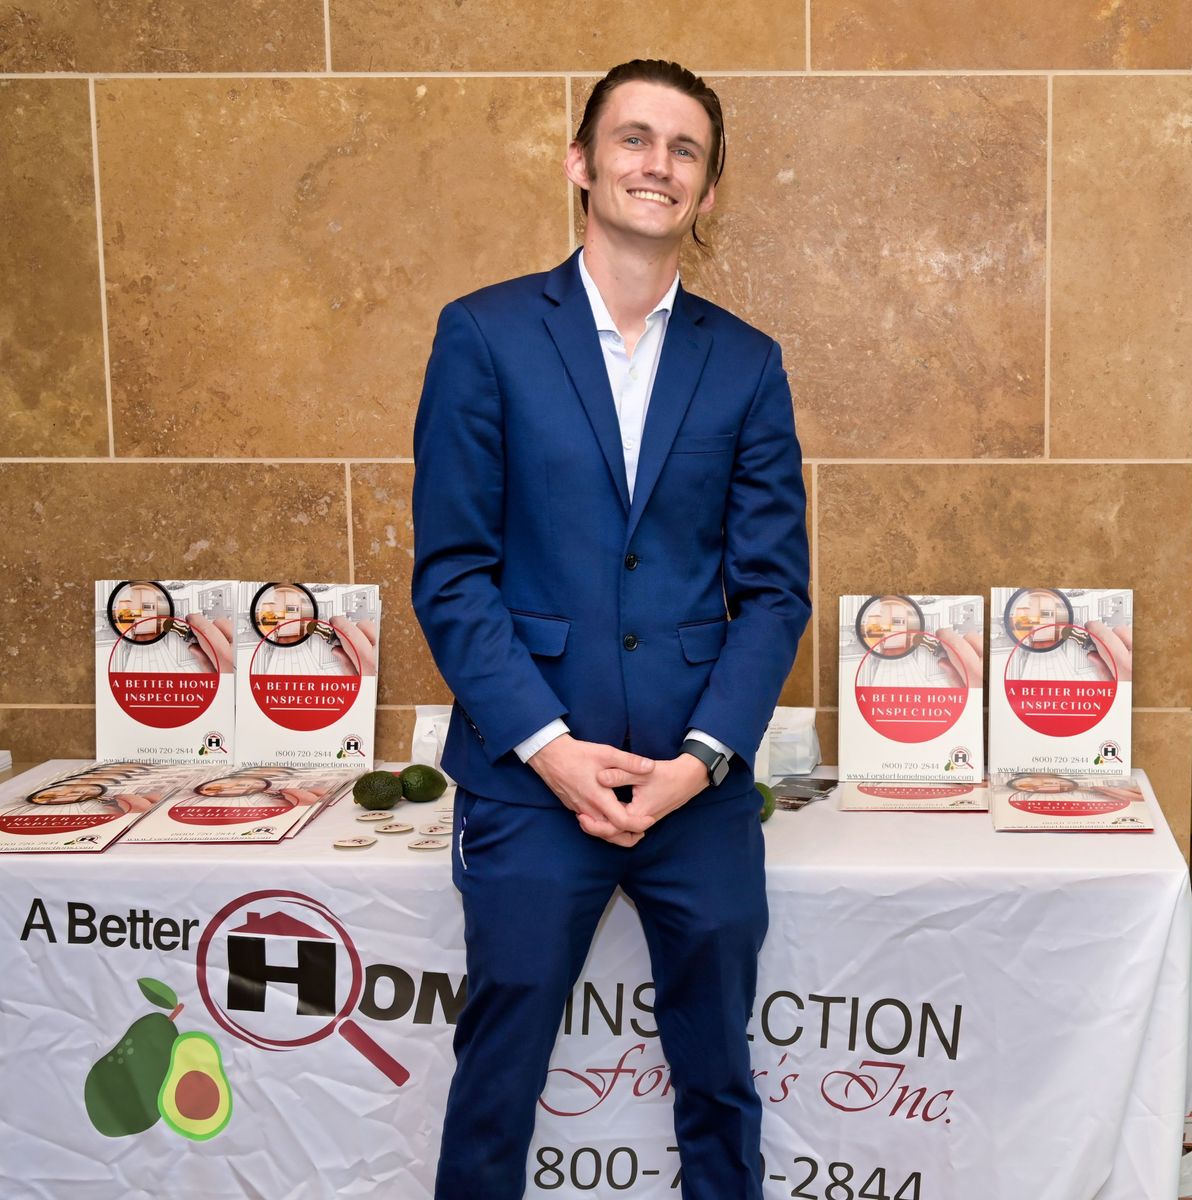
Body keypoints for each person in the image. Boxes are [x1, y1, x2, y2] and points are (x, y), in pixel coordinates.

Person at [411, 59, 810, 1200]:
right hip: (530, 777)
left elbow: (774, 591)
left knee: (721, 1078)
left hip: (696, 785)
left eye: (685, 150)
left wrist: (699, 763)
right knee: (498, 1077)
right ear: (580, 163)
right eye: (633, 139)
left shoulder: (747, 363)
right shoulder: (485, 335)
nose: (658, 165)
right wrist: (550, 748)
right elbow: (454, 574)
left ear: (709, 190)